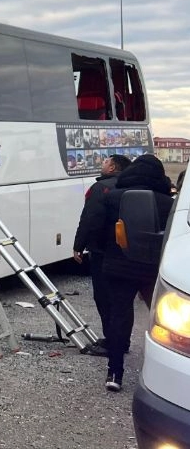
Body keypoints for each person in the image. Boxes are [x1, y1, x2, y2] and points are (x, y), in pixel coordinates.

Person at [95, 154, 173, 392]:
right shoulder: (168, 203)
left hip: (119, 266)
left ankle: (115, 372)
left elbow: (100, 230)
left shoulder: (113, 197)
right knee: (163, 319)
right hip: (152, 269)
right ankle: (166, 373)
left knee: (119, 317)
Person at [72, 153, 131, 356]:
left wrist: (79, 245)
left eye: (106, 162)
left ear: (113, 167)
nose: (102, 164)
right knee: (123, 300)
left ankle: (112, 342)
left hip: (102, 251)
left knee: (104, 297)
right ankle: (122, 340)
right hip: (126, 252)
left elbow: (90, 219)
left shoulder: (100, 188)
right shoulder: (131, 187)